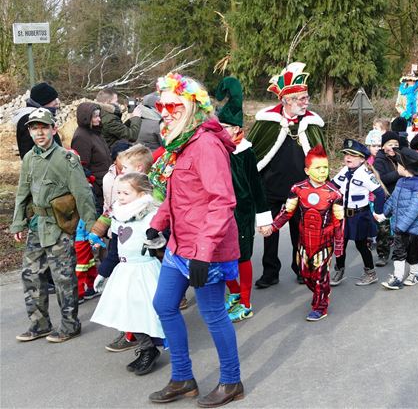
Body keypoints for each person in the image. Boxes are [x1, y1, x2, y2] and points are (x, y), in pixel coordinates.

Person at [146, 73, 244, 406]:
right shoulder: (182, 142)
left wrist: (203, 253)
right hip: (180, 244)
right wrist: (157, 224)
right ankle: (183, 378)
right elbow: (179, 194)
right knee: (163, 304)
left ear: (191, 106)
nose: (165, 112)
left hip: (208, 247)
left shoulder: (205, 144)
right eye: (162, 105)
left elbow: (222, 201)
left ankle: (231, 381)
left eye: (172, 105)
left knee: (213, 312)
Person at [10, 108, 97, 343]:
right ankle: (39, 324)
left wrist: (91, 226)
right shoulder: (30, 157)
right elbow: (22, 192)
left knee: (63, 277)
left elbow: (82, 193)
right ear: (29, 131)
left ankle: (70, 325)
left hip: (60, 225)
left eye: (43, 127)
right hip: (38, 225)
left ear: (53, 129)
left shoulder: (66, 158)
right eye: (34, 128)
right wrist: (18, 223)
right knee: (31, 275)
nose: (39, 132)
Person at [247, 62, 326, 289]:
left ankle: (300, 269)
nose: (305, 102)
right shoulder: (267, 123)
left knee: (300, 233)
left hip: (301, 189)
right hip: (270, 188)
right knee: (269, 234)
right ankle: (270, 272)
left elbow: (320, 156)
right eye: (301, 99)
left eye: (306, 97)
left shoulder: (311, 123)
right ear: (287, 101)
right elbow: (254, 153)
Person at [91, 173, 164, 376]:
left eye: (126, 192)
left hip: (144, 270)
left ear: (141, 193)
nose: (121, 197)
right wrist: (103, 273)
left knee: (146, 312)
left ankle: (154, 348)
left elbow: (165, 235)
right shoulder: (118, 215)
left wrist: (158, 240)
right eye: (119, 192)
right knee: (127, 313)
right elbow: (114, 249)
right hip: (124, 271)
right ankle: (146, 347)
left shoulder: (151, 215)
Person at [215, 76, 272, 322]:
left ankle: (246, 303)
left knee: (242, 257)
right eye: (219, 127)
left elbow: (257, 186)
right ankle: (235, 292)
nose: (221, 132)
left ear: (238, 129)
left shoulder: (245, 151)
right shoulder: (214, 148)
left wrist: (264, 219)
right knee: (221, 257)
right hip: (219, 213)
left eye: (226, 128)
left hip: (242, 213)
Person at [270, 145, 343, 321]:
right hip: (303, 242)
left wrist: (339, 246)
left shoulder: (335, 194)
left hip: (324, 243)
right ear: (307, 170)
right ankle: (321, 292)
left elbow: (339, 222)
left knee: (320, 276)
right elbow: (287, 212)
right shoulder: (297, 189)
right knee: (306, 275)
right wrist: (272, 227)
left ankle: (320, 306)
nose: (323, 171)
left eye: (325, 167)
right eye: (318, 168)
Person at [330, 139, 386, 286]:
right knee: (340, 243)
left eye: (353, 155)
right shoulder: (344, 171)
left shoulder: (365, 174)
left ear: (362, 159)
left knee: (361, 245)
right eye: (346, 154)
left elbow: (380, 193)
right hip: (343, 215)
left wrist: (378, 213)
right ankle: (339, 270)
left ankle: (370, 273)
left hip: (360, 215)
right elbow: (332, 187)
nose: (348, 157)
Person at [380, 147, 418, 289]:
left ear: (406, 168)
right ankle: (397, 277)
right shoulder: (401, 181)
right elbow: (392, 200)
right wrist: (384, 214)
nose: (397, 167)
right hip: (399, 227)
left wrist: (401, 226)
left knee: (413, 253)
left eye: (399, 164)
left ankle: (414, 274)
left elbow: (414, 209)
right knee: (398, 252)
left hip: (412, 228)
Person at [71, 102, 112, 215]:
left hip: (104, 185)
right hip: (96, 189)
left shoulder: (95, 132)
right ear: (86, 117)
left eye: (99, 116)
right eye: (95, 116)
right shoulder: (81, 137)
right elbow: (82, 167)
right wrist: (94, 186)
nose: (99, 119)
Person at [372, 131, 401, 267]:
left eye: (396, 144)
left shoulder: (400, 157)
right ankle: (383, 254)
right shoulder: (379, 160)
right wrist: (398, 173)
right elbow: (380, 179)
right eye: (390, 144)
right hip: (385, 197)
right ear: (383, 146)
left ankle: (401, 251)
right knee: (383, 228)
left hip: (401, 197)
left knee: (400, 226)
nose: (393, 147)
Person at [13, 82, 63, 159]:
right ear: (43, 101)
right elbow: (29, 155)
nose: (56, 103)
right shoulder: (30, 120)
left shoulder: (41, 116)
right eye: (53, 100)